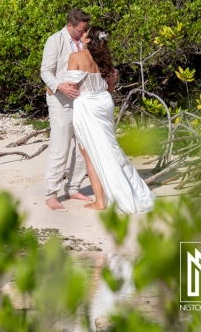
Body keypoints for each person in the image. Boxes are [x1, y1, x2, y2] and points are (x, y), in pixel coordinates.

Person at [65, 26, 155, 214]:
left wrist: (53, 87)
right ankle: (121, 191)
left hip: (88, 105)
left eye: (85, 33)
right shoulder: (105, 61)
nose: (81, 34)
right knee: (109, 148)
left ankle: (100, 201)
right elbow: (110, 89)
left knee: (90, 152)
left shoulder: (76, 57)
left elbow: (71, 87)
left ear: (88, 40)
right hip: (104, 103)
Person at [40, 9, 94, 210]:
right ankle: (51, 193)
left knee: (83, 146)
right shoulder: (55, 40)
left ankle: (73, 187)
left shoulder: (86, 39)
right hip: (60, 101)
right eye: (81, 29)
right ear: (70, 26)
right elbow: (45, 70)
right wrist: (59, 85)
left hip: (84, 101)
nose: (84, 33)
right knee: (60, 147)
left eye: (86, 29)